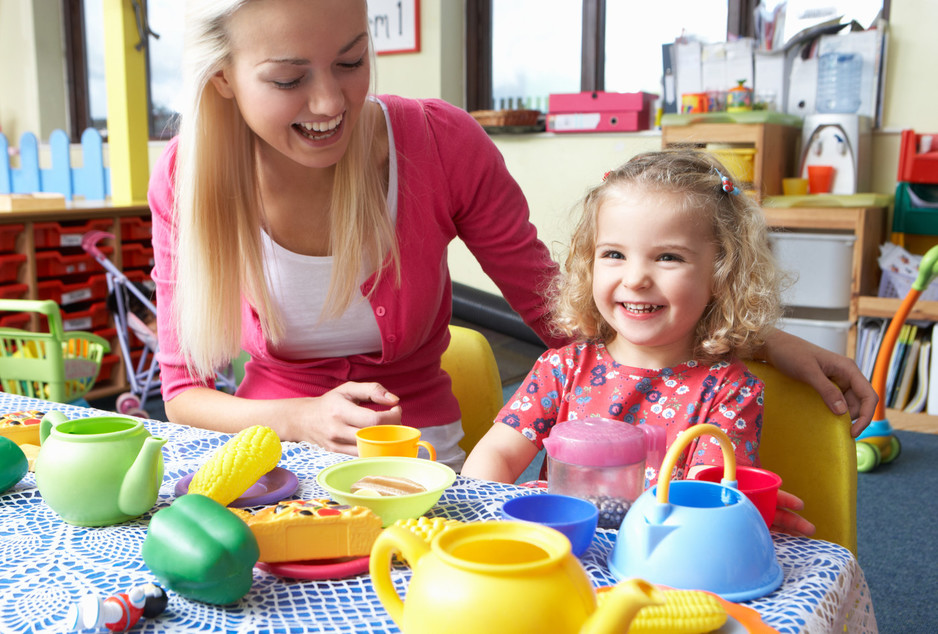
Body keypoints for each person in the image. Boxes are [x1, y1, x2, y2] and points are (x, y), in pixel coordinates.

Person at [149, 0, 875, 474]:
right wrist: (297, 417)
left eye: (351, 60)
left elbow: (564, 313)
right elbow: (182, 394)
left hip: (415, 453)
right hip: (267, 449)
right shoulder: (187, 177)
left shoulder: (439, 144)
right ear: (222, 81)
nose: (331, 102)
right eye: (286, 78)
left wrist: (753, 335)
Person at [461, 151, 803, 534]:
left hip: (658, 562)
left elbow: (706, 501)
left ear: (722, 275)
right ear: (589, 265)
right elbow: (498, 454)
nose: (636, 278)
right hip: (563, 551)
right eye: (614, 254)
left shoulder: (729, 391)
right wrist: (483, 514)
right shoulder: (563, 368)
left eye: (668, 257)